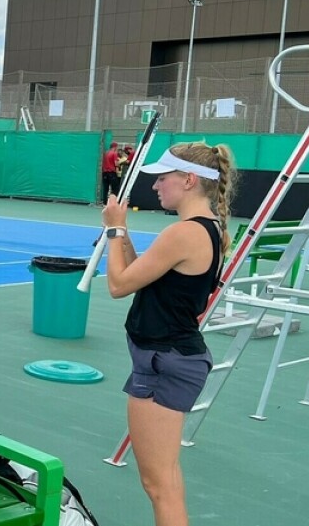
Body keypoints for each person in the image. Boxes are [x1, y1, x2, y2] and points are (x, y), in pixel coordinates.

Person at [101, 142, 236, 526]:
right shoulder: (206, 229)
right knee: (167, 481)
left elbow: (118, 285)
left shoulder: (184, 233)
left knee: (158, 485)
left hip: (165, 362)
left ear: (189, 180)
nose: (156, 185)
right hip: (169, 359)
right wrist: (123, 234)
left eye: (163, 178)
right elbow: (141, 276)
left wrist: (113, 230)